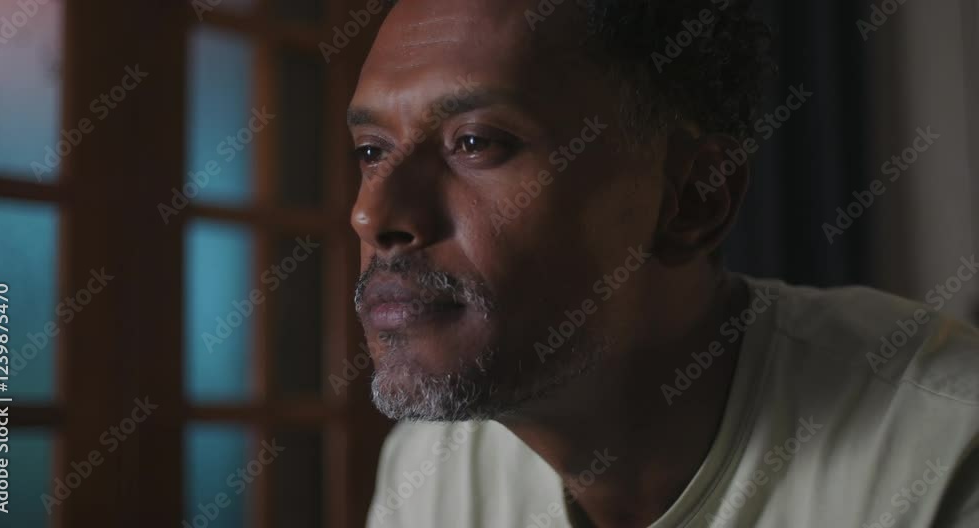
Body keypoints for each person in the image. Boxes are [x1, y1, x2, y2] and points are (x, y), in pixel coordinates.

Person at [347, 0, 979, 526]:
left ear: (694, 199)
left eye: (475, 142)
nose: (372, 214)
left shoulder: (948, 449)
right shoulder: (428, 472)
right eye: (372, 151)